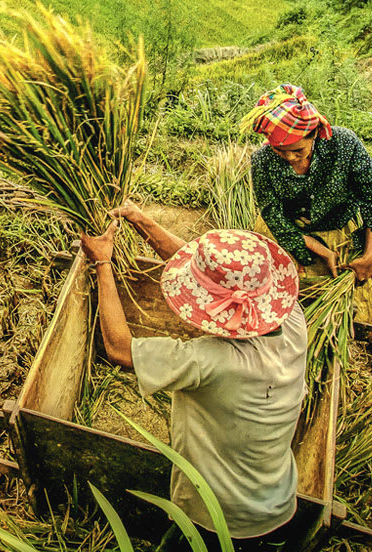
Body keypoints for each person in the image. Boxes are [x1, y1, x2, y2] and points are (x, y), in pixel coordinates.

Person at [84, 205, 310, 552]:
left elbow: (120, 349)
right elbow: (205, 272)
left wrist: (103, 262)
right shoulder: (293, 318)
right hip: (277, 504)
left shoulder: (214, 360)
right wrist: (141, 220)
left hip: (219, 520)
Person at [243, 86, 372, 295]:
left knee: (349, 300)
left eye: (298, 150)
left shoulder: (344, 144)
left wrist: (369, 256)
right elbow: (271, 212)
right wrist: (314, 246)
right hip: (285, 233)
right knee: (279, 295)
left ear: (314, 134)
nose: (290, 158)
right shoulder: (263, 159)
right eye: (280, 150)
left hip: (338, 234)